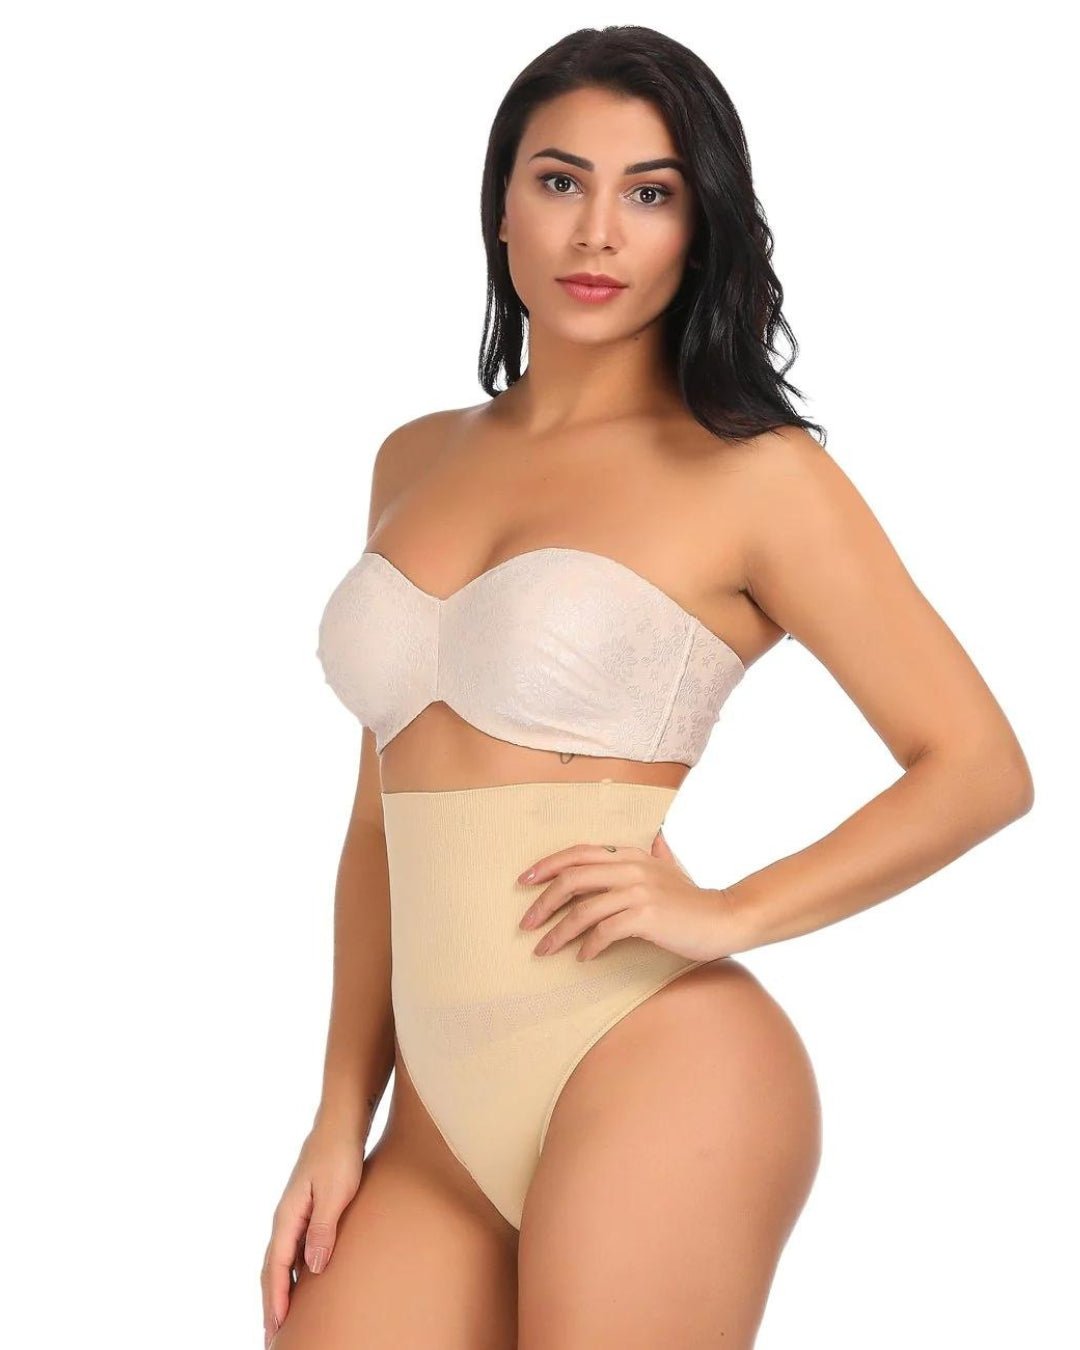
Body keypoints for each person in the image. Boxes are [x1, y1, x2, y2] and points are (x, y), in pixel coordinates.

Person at [260, 25, 1034, 1350]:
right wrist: (342, 1110)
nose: (598, 231)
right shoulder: (411, 458)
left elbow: (977, 766)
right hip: (435, 1117)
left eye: (652, 192)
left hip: (651, 1058)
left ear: (699, 227)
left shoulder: (756, 475)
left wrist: (729, 911)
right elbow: (379, 818)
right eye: (561, 180)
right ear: (501, 205)